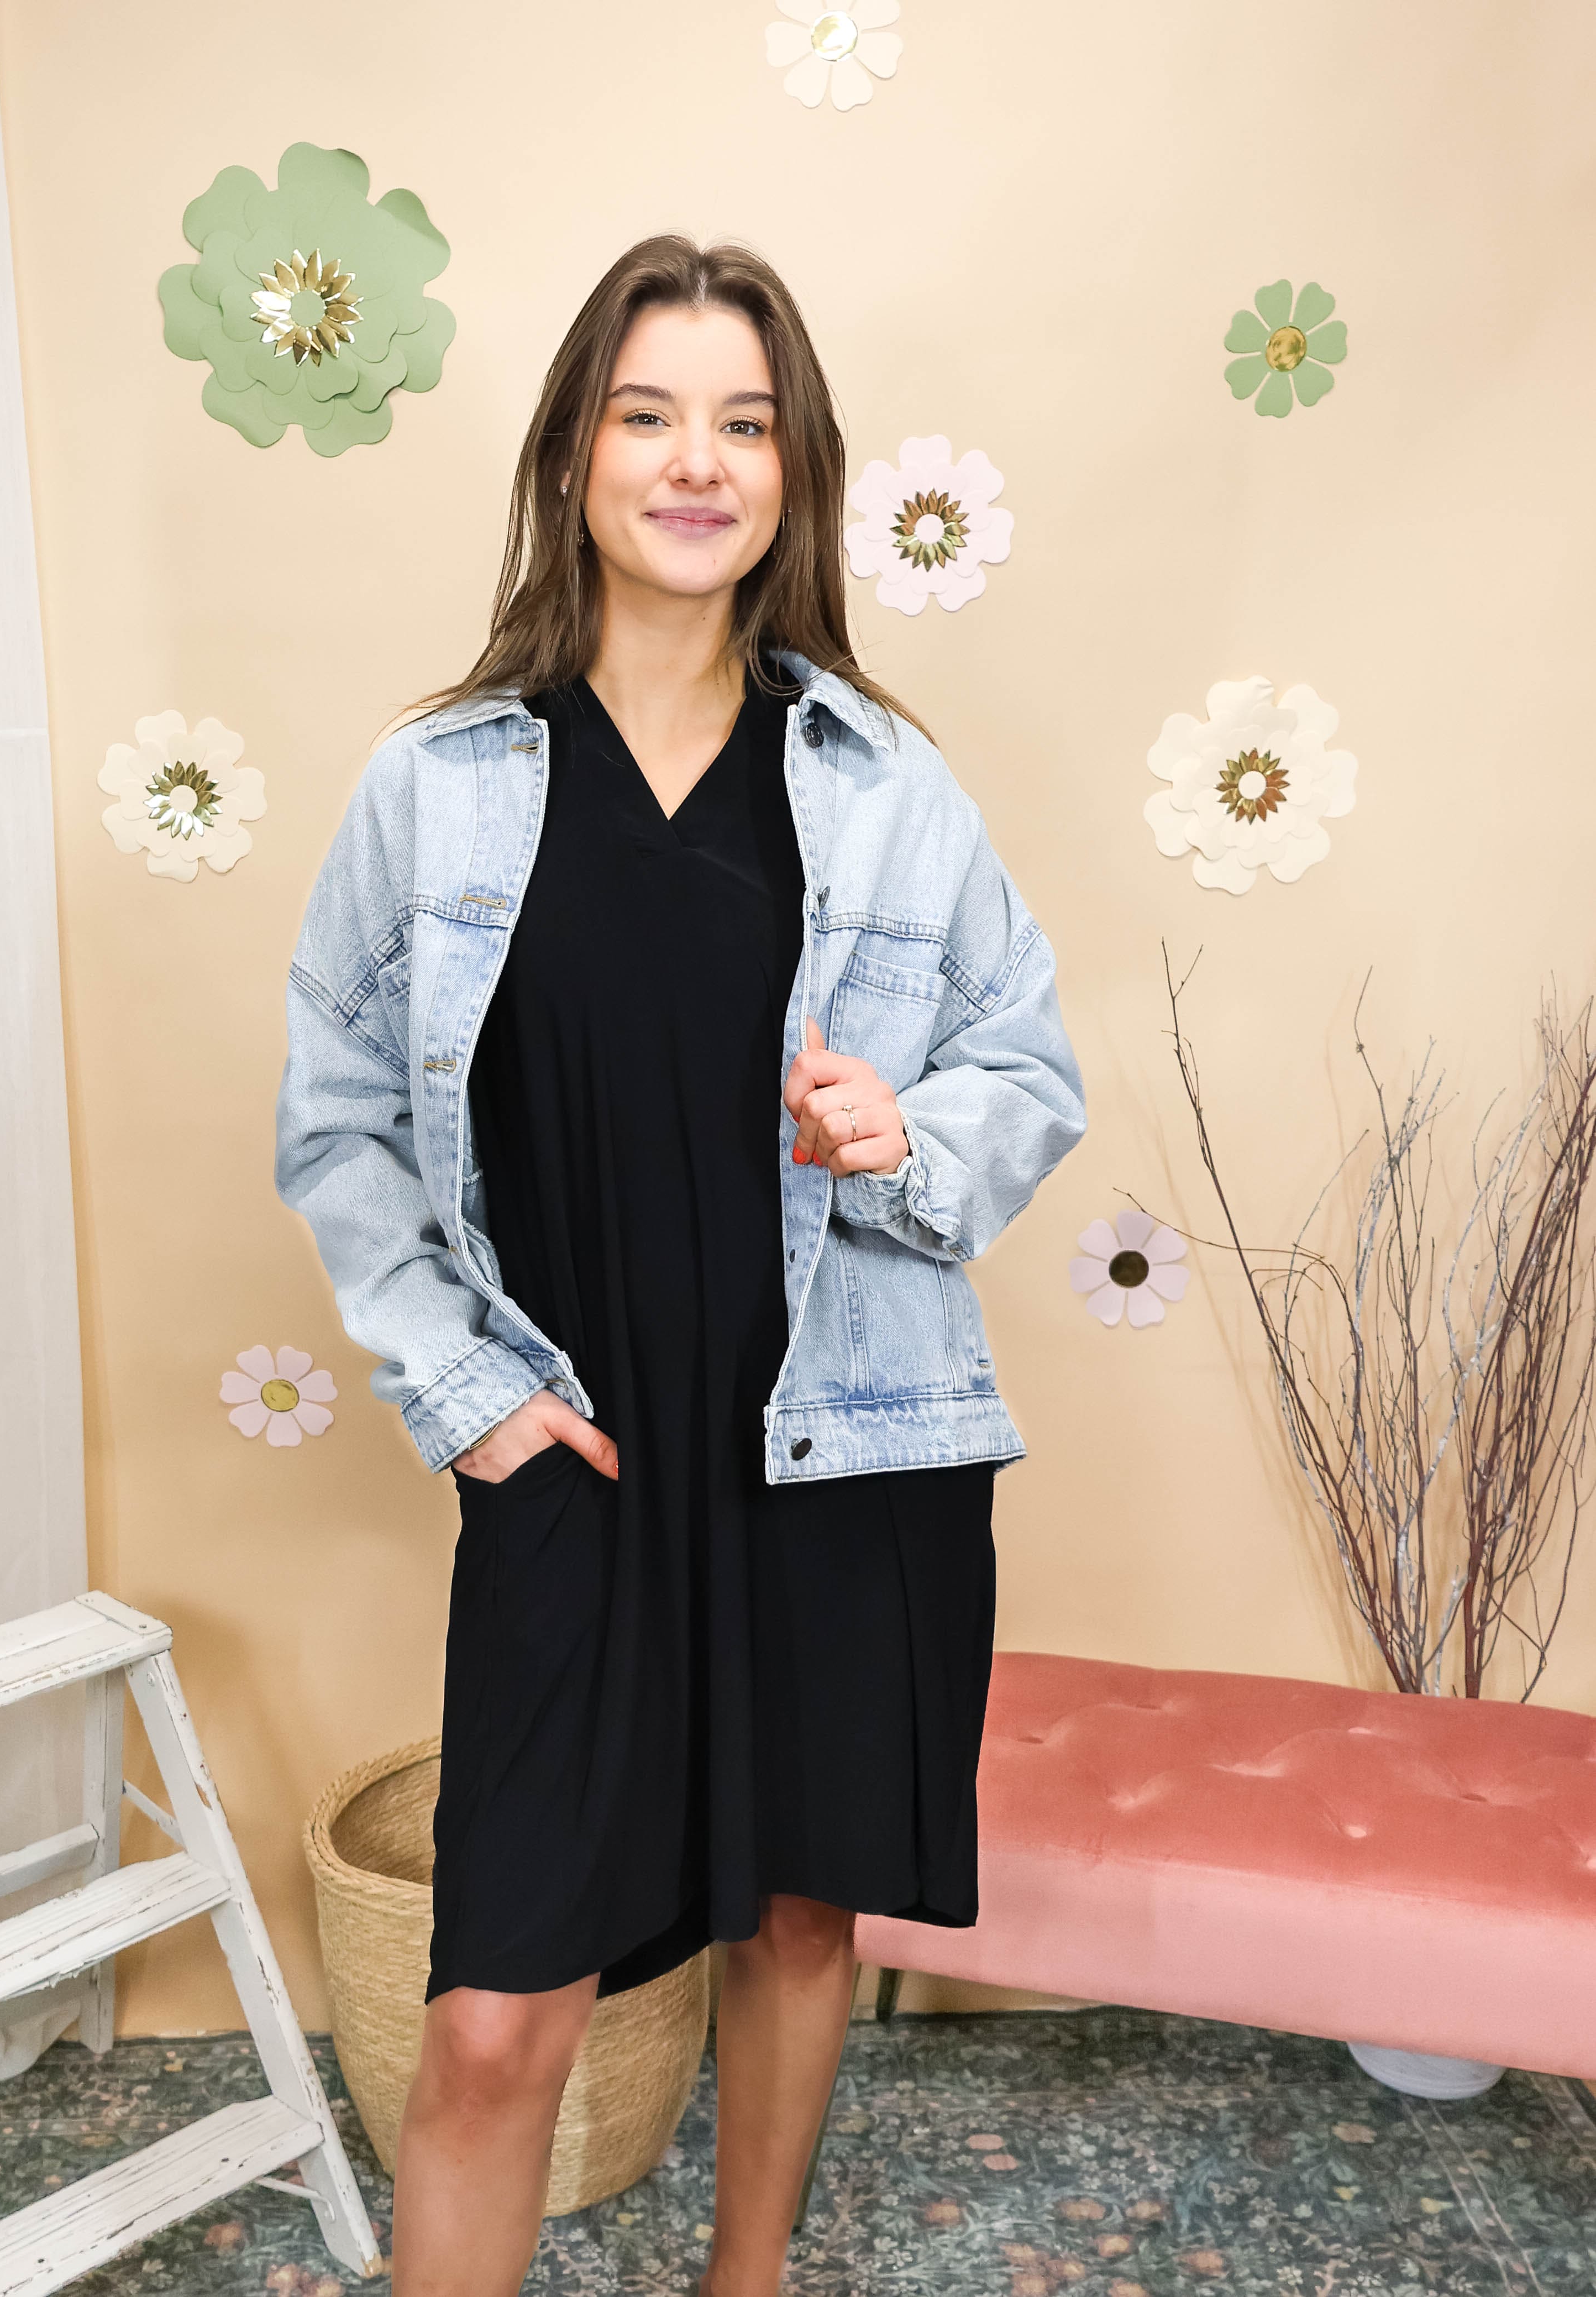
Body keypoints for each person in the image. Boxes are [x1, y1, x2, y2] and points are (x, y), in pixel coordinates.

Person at [275, 234, 1085, 2297]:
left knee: (800, 1915)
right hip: (578, 1458)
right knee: (493, 2020)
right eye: (648, 414)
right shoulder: (436, 785)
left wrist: (910, 1134)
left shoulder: (884, 784)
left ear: (795, 473)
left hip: (844, 1451)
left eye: (745, 422)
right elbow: (338, 1115)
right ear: (575, 455)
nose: (695, 461)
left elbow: (1027, 1063)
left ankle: (752, 2281)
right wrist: (467, 1395)